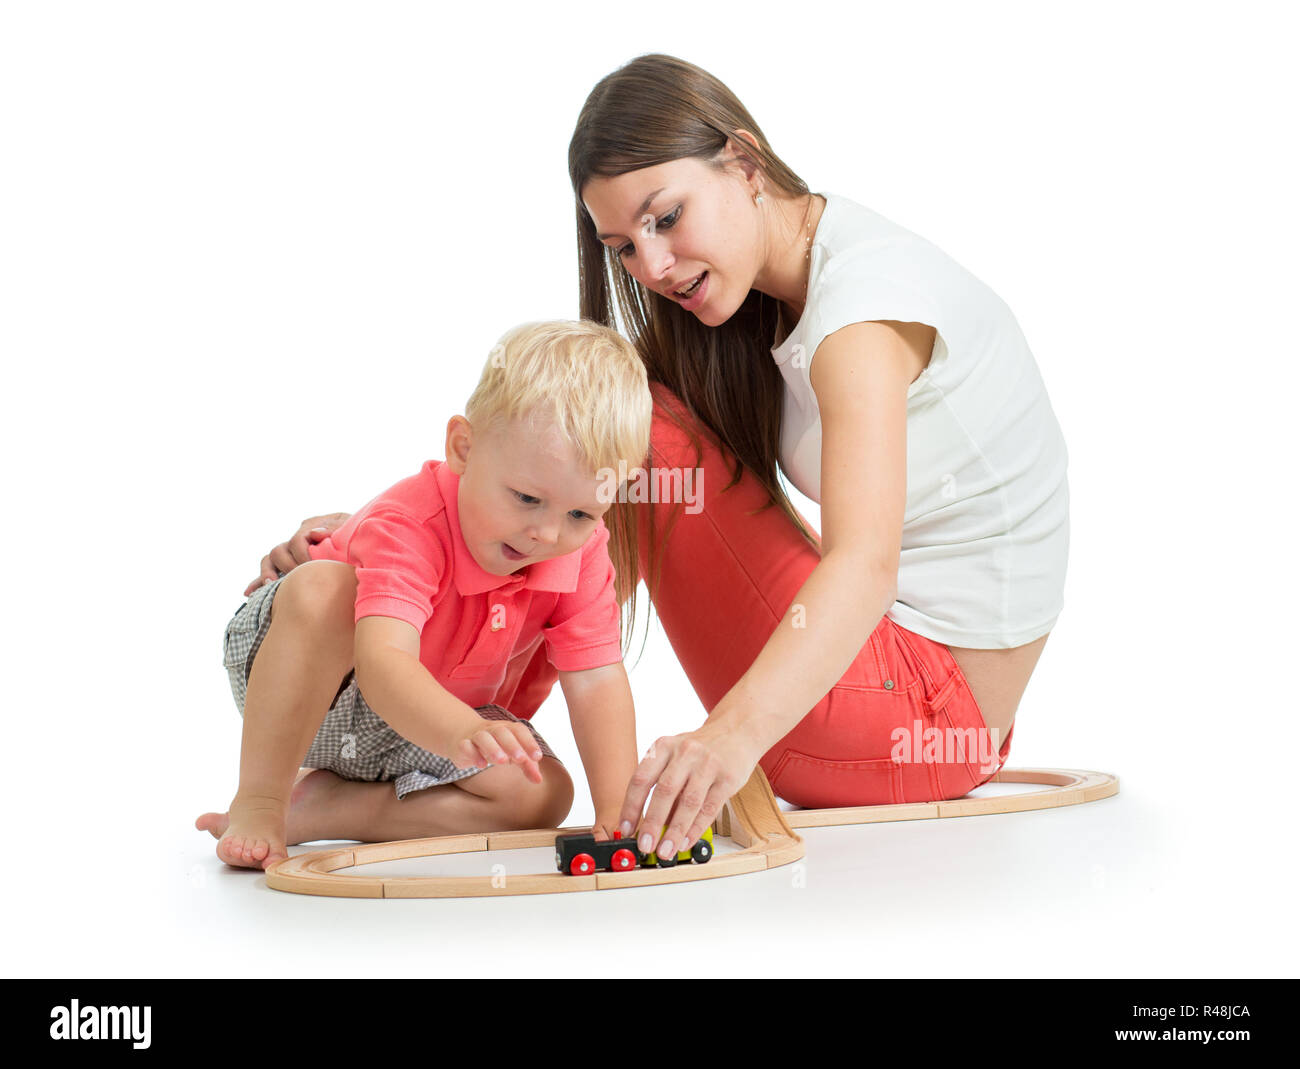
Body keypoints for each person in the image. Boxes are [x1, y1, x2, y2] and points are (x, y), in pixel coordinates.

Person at [251, 53, 1070, 866]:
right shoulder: (773, 289)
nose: (653, 266)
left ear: (744, 163)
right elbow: (557, 438)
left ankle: (442, 716)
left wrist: (724, 742)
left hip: (921, 720)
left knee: (642, 426)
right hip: (898, 697)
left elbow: (865, 566)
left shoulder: (858, 320)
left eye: (667, 217)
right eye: (622, 247)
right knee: (612, 412)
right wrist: (380, 534)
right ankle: (433, 717)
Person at [197, 320, 652, 870]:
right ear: (464, 447)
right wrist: (460, 730)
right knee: (325, 587)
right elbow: (384, 661)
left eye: (581, 513)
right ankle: (263, 801)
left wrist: (618, 818)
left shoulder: (579, 554)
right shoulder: (411, 522)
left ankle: (332, 812)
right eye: (527, 497)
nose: (548, 535)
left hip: (419, 715)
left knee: (541, 792)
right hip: (307, 685)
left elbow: (598, 679)